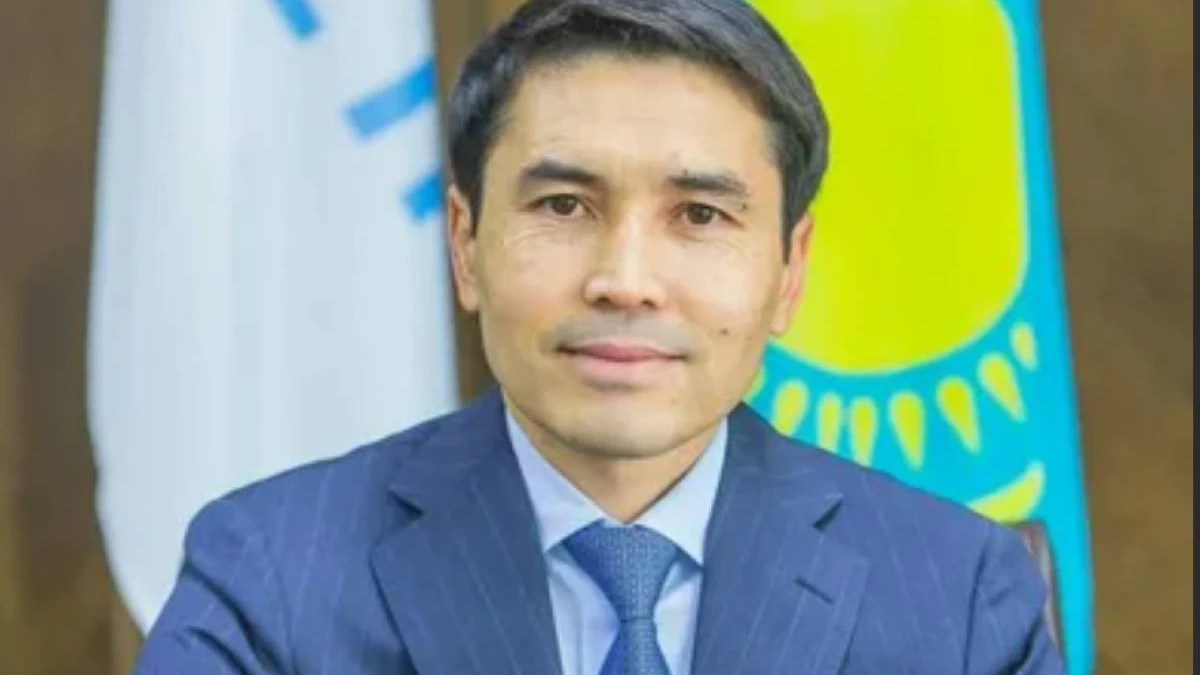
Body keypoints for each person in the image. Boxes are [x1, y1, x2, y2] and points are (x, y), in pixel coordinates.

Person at [134, 0, 1063, 673]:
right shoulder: (272, 575)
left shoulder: (959, 599)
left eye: (699, 214)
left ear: (790, 269)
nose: (625, 278)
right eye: (563, 204)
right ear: (464, 243)